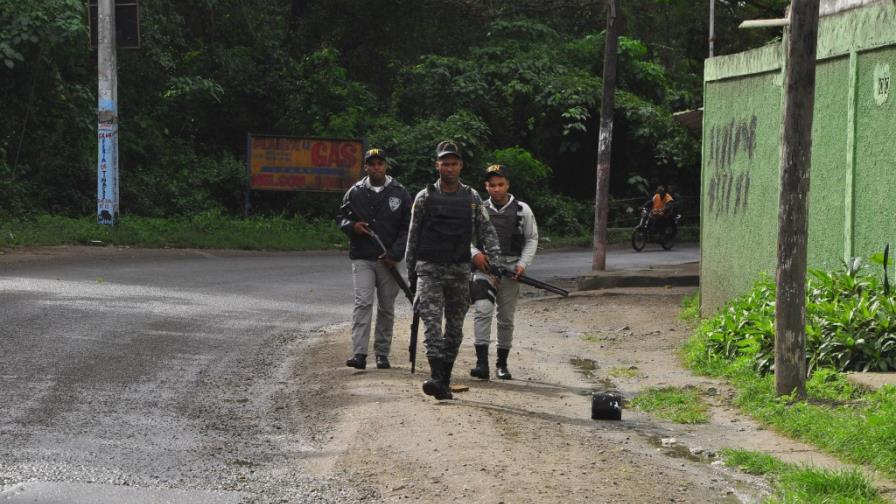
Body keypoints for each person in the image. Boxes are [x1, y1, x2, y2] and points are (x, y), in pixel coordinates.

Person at [405, 140, 501, 400]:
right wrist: (411, 272)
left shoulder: (471, 198)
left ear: (461, 165)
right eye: (444, 163)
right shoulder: (424, 197)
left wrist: (495, 261)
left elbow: (487, 231)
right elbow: (413, 236)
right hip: (429, 271)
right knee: (432, 327)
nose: (449, 168)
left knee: (455, 329)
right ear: (437, 165)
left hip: (459, 270)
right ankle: (437, 377)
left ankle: (443, 380)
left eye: (453, 163)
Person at [337, 148, 412, 370]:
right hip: (362, 257)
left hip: (389, 260)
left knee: (387, 307)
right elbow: (341, 217)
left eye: (380, 163)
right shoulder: (354, 192)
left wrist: (395, 254)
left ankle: (382, 353)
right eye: (372, 163)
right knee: (363, 303)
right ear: (366, 167)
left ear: (386, 166)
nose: (376, 167)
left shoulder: (400, 192)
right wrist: (352, 226)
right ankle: (359, 354)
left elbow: (408, 227)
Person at [469, 164, 539, 380]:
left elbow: (531, 238)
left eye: (500, 184)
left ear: (508, 184)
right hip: (485, 268)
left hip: (511, 268)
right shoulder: (477, 208)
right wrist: (475, 255)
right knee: (482, 310)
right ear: (486, 186)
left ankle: (502, 363)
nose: (496, 189)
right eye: (492, 185)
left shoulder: (522, 210)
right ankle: (482, 364)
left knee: (506, 318)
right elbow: (464, 237)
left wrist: (522, 265)